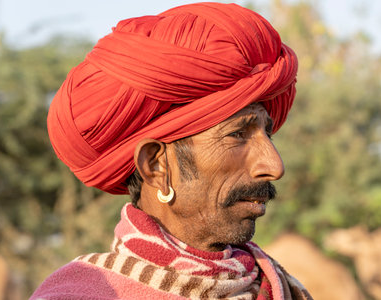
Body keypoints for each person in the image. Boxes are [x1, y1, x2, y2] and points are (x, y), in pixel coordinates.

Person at [31, 2, 312, 299]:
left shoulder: (278, 287)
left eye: (267, 132)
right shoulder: (84, 294)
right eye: (237, 134)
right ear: (156, 165)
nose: (274, 165)